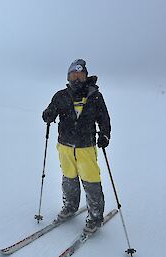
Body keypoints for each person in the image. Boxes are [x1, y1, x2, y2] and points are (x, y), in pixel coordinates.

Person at [42, 59, 111, 234]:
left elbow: (104, 119)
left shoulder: (95, 96)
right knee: (69, 178)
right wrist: (48, 115)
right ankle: (70, 206)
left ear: (86, 76)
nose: (77, 79)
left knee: (91, 180)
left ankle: (95, 217)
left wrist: (104, 134)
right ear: (68, 77)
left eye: (80, 75)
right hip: (65, 145)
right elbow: (50, 111)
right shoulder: (61, 95)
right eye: (73, 75)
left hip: (85, 146)